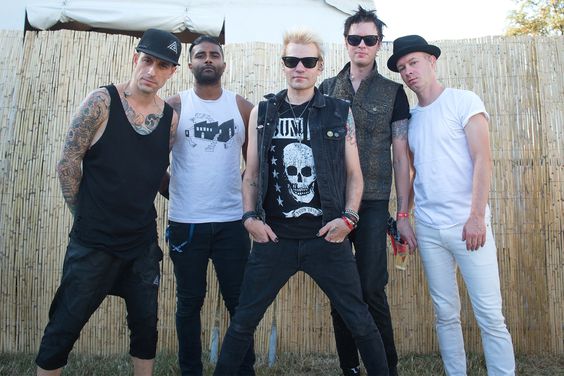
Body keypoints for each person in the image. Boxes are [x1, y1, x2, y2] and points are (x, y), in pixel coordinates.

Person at [213, 29, 390, 376]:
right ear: (283, 65)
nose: (299, 67)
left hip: (326, 237)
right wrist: (249, 217)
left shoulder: (339, 112)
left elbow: (355, 174)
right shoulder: (263, 112)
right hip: (273, 238)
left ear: (319, 67)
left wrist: (349, 219)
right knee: (243, 322)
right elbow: (250, 173)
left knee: (360, 320)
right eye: (291, 60)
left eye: (308, 61)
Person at [35, 29, 181, 375]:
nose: (152, 71)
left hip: (141, 244)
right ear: (135, 59)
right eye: (147, 60)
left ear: (172, 72)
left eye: (163, 66)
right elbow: (68, 163)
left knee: (146, 326)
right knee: (65, 324)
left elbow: (152, 170)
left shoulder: (169, 121)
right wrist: (83, 216)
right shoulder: (102, 102)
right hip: (94, 242)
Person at [388, 34, 515, 375]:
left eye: (413, 62)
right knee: (445, 313)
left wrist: (476, 217)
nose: (408, 72)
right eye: (401, 68)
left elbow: (483, 161)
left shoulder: (464, 101)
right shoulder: (411, 119)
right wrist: (404, 216)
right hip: (429, 229)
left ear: (432, 61)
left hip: (468, 226)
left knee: (489, 314)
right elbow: (413, 172)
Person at [319, 6, 416, 376]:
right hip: (333, 202)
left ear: (379, 45)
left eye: (369, 39)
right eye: (354, 38)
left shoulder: (393, 93)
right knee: (339, 289)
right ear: (345, 42)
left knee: (372, 287)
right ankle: (350, 368)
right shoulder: (326, 88)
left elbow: (401, 158)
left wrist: (403, 213)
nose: (361, 45)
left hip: (374, 204)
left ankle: (386, 368)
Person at [163, 35, 255, 376]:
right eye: (200, 55)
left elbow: (254, 167)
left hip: (232, 222)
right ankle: (191, 371)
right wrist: (180, 193)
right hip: (186, 223)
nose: (207, 59)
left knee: (240, 304)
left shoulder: (241, 107)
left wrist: (243, 199)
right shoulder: (175, 106)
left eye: (214, 55)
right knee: (189, 304)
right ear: (189, 65)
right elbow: (155, 163)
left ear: (223, 64)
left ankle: (244, 369)